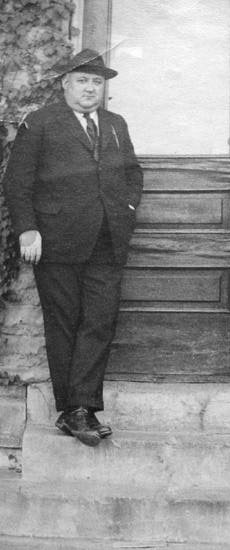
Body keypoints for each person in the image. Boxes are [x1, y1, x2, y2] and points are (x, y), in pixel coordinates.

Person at [4, 49, 143, 447]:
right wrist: (28, 230)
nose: (90, 88)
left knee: (99, 321)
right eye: (82, 80)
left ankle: (81, 407)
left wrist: (127, 209)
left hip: (107, 240)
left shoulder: (115, 124)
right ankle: (74, 409)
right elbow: (17, 182)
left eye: (97, 82)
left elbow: (133, 173)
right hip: (56, 241)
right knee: (64, 322)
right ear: (65, 84)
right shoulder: (41, 122)